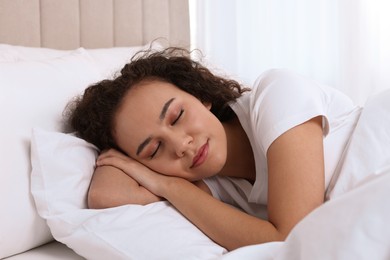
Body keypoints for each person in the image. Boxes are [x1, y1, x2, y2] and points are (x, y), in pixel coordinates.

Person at [66, 46, 361, 250]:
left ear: (200, 95)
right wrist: (157, 177)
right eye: (154, 149)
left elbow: (295, 238)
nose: (182, 145)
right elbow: (105, 195)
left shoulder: (277, 94)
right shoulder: (211, 186)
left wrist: (168, 185)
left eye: (177, 116)